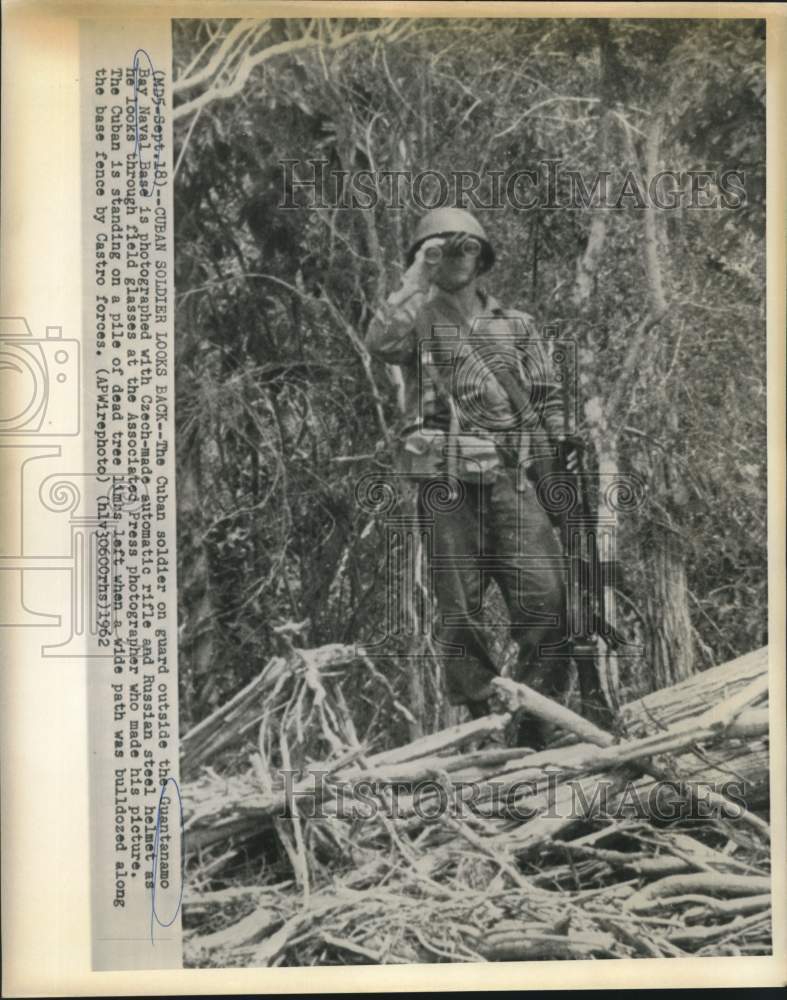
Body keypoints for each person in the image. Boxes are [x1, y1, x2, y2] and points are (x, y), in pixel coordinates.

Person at [365, 207, 574, 749]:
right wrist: (415, 278)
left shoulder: (515, 323)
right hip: (445, 479)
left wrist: (555, 454)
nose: (454, 258)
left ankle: (533, 722)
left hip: (511, 480)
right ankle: (484, 722)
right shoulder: (414, 319)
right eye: (438, 249)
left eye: (465, 248)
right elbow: (381, 344)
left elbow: (547, 397)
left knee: (549, 602)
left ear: (483, 256)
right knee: (459, 611)